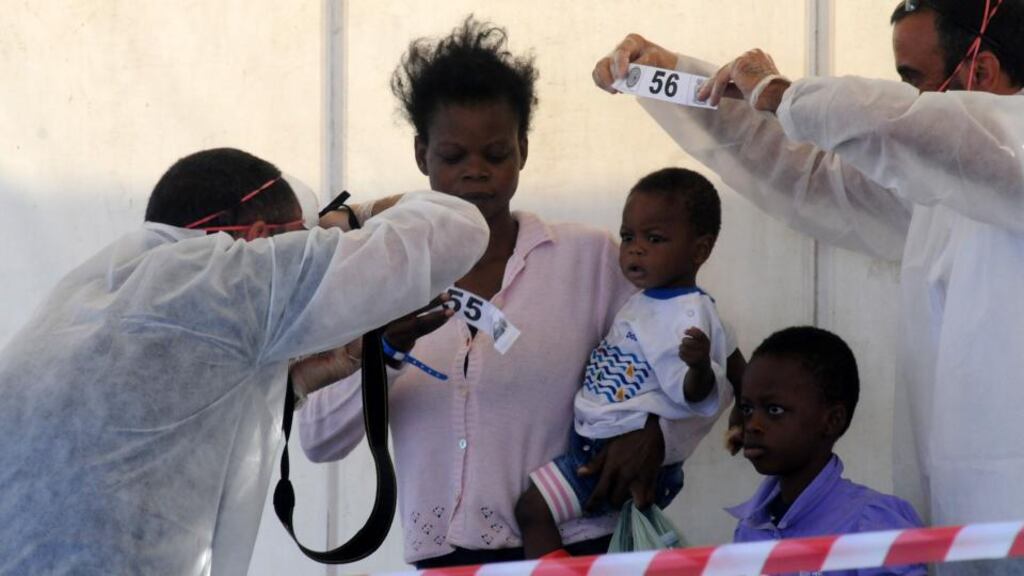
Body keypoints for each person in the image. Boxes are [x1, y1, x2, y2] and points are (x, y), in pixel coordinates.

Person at [593, 2, 1024, 572]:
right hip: (959, 520)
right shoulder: (938, 189)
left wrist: (787, 95)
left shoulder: (997, 152)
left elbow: (910, 128)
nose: (906, 98)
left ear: (981, 72)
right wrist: (677, 81)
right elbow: (807, 172)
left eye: (914, 82)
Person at [300, 18, 746, 568]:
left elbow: (714, 363)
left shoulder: (592, 259)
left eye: (495, 153)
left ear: (523, 150)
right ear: (421, 155)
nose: (476, 174)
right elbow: (319, 439)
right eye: (452, 156)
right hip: (444, 562)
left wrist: (658, 437)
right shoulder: (381, 277)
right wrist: (383, 354)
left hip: (575, 546)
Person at [0, 147, 488, 575]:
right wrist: (352, 220)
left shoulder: (92, 289)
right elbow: (456, 227)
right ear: (258, 237)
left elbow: (162, 418)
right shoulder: (224, 275)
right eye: (301, 238)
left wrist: (291, 387)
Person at [514, 168, 736, 558]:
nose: (635, 249)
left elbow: (693, 393)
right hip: (595, 441)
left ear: (699, 250)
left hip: (609, 457)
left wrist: (700, 368)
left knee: (532, 511)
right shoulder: (650, 298)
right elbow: (737, 361)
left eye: (654, 239)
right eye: (628, 236)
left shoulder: (686, 318)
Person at [731, 327, 925, 576]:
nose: (753, 425)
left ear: (832, 420)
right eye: (747, 409)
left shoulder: (873, 527)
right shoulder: (751, 527)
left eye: (774, 410)